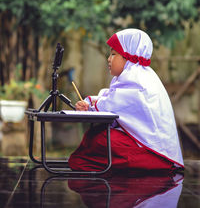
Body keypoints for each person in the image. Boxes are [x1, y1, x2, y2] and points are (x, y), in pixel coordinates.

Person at [68, 28, 184, 172]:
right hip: (147, 143)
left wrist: (91, 104)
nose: (108, 59)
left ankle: (88, 166)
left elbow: (113, 102)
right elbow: (113, 98)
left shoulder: (136, 78)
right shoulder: (137, 75)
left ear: (128, 56)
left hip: (155, 152)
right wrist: (90, 103)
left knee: (101, 140)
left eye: (113, 54)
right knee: (96, 136)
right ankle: (86, 164)